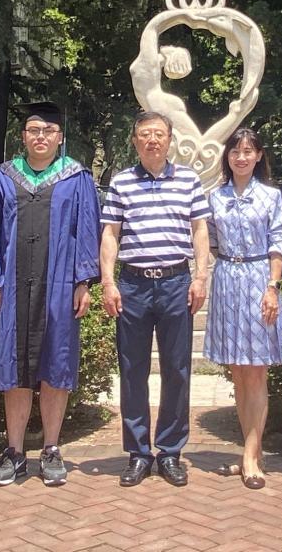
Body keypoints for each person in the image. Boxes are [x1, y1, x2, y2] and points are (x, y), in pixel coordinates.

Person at [0, 102, 100, 487]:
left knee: (55, 364)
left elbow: (87, 230)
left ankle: (50, 449)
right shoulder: (3, 176)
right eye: (33, 130)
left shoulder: (76, 176)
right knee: (13, 366)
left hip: (59, 284)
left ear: (60, 137)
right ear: (23, 136)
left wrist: (84, 281)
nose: (41, 137)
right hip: (13, 285)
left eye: (48, 131)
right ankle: (14, 452)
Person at [100, 111, 212, 487]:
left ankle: (170, 452)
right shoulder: (121, 182)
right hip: (132, 285)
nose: (152, 140)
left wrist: (200, 277)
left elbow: (199, 230)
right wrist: (108, 282)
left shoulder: (188, 180)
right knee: (132, 369)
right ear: (135, 141)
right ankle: (137, 452)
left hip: (176, 283)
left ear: (169, 140)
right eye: (145, 134)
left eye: (159, 134)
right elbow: (111, 234)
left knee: (177, 369)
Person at [204, 127, 282, 489]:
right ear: (227, 156)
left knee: (256, 372)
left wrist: (272, 286)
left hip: (260, 281)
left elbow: (278, 241)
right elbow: (211, 241)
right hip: (228, 280)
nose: (241, 157)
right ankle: (250, 451)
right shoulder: (215, 198)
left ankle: (251, 456)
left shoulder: (271, 196)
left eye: (248, 151)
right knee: (239, 373)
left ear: (258, 156)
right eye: (235, 151)